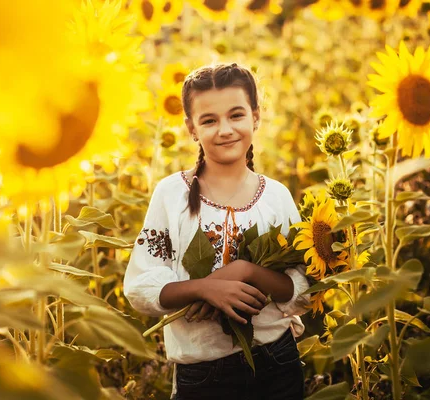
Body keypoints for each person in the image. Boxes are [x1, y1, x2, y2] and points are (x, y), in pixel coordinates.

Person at [123, 62, 310, 400]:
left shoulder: (276, 197)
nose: (225, 130)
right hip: (203, 375)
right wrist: (205, 289)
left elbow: (302, 290)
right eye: (209, 120)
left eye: (236, 115)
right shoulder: (171, 195)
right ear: (191, 128)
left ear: (256, 116)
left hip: (277, 363)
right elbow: (140, 285)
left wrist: (247, 271)